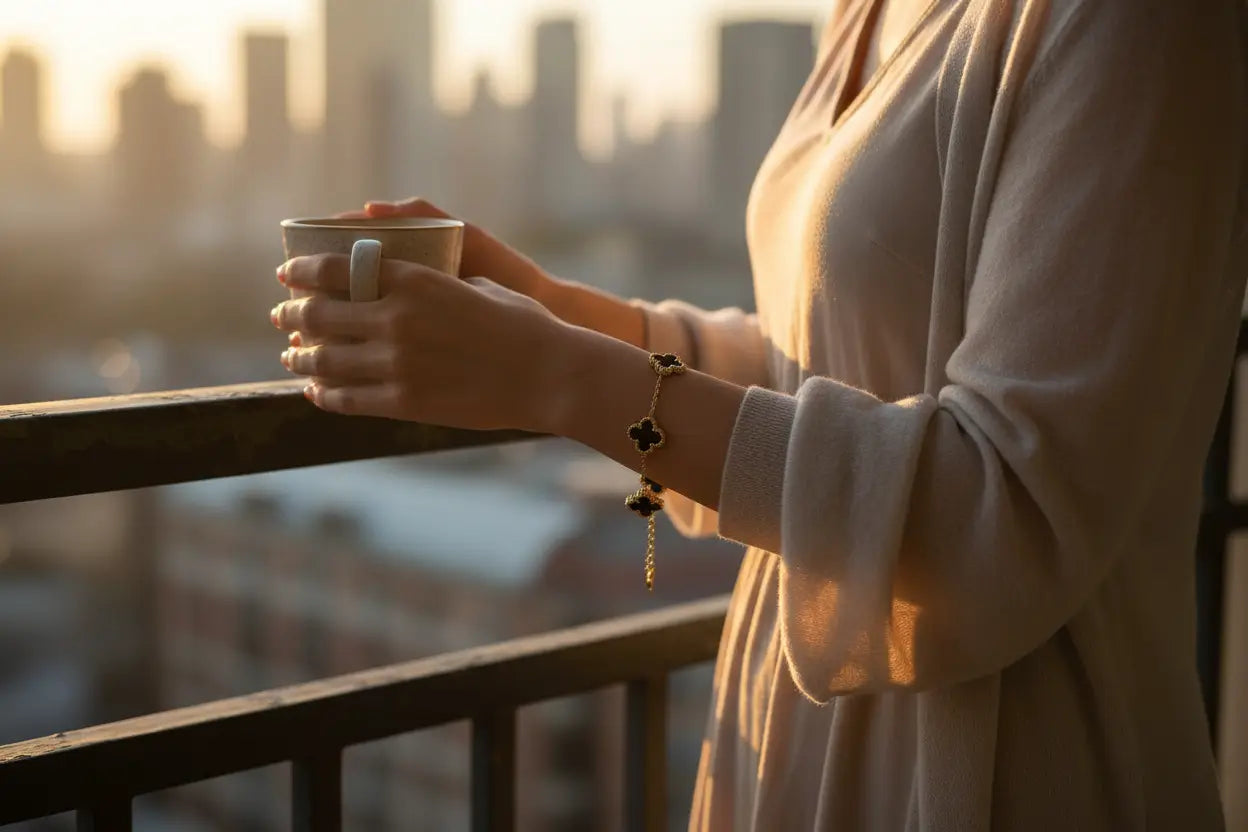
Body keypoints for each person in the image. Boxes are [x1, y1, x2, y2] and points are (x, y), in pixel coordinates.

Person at [269, 0, 1248, 828]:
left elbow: (1003, 510)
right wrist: (554, 313)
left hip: (1011, 767)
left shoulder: (1137, 25)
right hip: (796, 729)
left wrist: (556, 376)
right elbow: (821, 359)